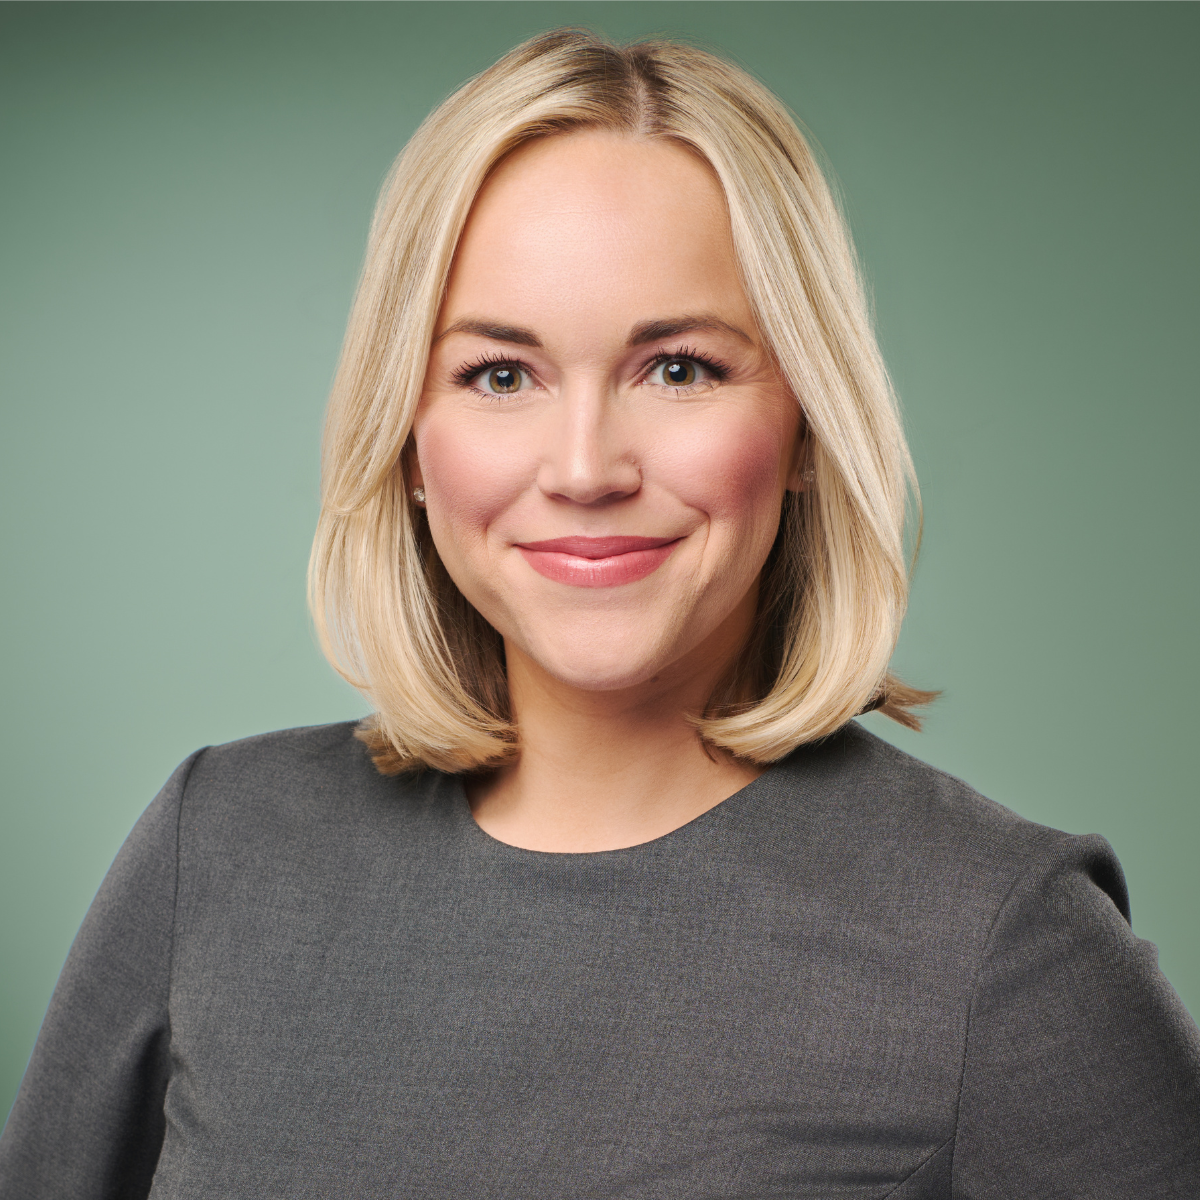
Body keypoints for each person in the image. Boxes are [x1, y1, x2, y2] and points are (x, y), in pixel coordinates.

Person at [2, 29, 1197, 1198]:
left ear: (805, 430)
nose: (584, 468)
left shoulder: (1006, 945)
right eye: (500, 374)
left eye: (679, 367)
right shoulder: (217, 850)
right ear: (409, 442)